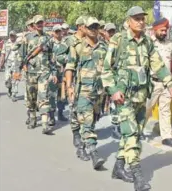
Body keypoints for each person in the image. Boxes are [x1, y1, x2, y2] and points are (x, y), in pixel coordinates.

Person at [102, 6, 172, 191]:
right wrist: (113, 90)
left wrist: (170, 82)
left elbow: (158, 64)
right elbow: (106, 69)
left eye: (143, 18)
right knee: (131, 134)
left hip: (141, 96)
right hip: (123, 97)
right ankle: (137, 175)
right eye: (136, 18)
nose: (141, 22)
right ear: (128, 21)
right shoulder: (118, 40)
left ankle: (119, 167)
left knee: (132, 134)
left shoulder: (147, 42)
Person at [65, 17, 106, 170]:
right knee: (87, 121)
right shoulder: (78, 46)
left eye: (96, 26)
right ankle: (94, 152)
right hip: (83, 91)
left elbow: (109, 68)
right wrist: (69, 86)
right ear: (85, 29)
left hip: (99, 92)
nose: (94, 29)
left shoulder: (104, 48)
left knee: (92, 121)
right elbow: (70, 67)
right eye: (91, 27)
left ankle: (81, 146)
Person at [145, 17, 172, 147]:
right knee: (147, 108)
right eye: (162, 30)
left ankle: (166, 137)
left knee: (165, 110)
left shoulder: (170, 43)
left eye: (166, 30)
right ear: (155, 30)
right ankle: (137, 131)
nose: (164, 33)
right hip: (152, 82)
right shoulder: (149, 43)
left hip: (168, 83)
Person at [21, 15, 58, 133]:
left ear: (44, 23)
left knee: (44, 97)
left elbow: (52, 57)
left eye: (41, 22)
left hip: (44, 73)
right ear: (34, 24)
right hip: (31, 73)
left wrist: (54, 72)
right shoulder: (27, 38)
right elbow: (23, 55)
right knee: (31, 97)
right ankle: (32, 118)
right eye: (37, 23)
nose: (39, 24)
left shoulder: (49, 38)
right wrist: (23, 67)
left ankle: (44, 124)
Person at [63, 16, 90, 161]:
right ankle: (76, 135)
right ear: (80, 26)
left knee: (87, 116)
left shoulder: (90, 41)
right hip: (73, 80)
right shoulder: (70, 41)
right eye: (86, 26)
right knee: (74, 111)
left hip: (88, 85)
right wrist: (68, 84)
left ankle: (83, 140)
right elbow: (61, 57)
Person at [48, 24, 69, 127]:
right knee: (51, 94)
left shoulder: (66, 44)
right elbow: (46, 58)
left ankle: (60, 113)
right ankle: (51, 116)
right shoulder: (49, 43)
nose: (58, 33)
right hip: (52, 72)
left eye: (59, 31)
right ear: (53, 32)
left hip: (62, 73)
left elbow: (69, 58)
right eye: (56, 31)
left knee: (62, 95)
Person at [0, 31, 21, 102]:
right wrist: (1, 64)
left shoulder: (19, 44)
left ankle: (14, 94)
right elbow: (3, 54)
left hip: (17, 64)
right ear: (9, 36)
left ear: (15, 36)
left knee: (16, 79)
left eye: (13, 35)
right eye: (11, 35)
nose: (12, 37)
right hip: (8, 64)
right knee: (7, 80)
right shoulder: (6, 44)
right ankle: (9, 89)